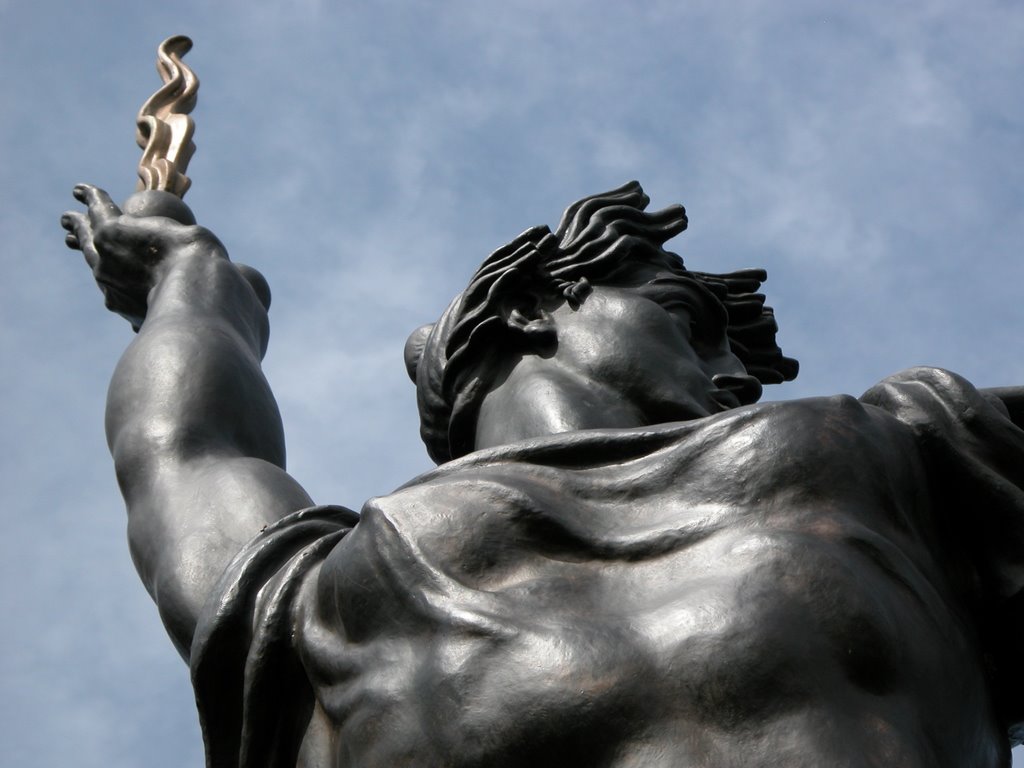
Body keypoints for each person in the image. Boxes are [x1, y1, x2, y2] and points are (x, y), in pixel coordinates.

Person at [62, 181, 1024, 767]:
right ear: (531, 305)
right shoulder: (328, 602)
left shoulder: (880, 456)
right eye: (688, 319)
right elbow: (185, 449)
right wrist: (191, 281)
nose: (733, 376)